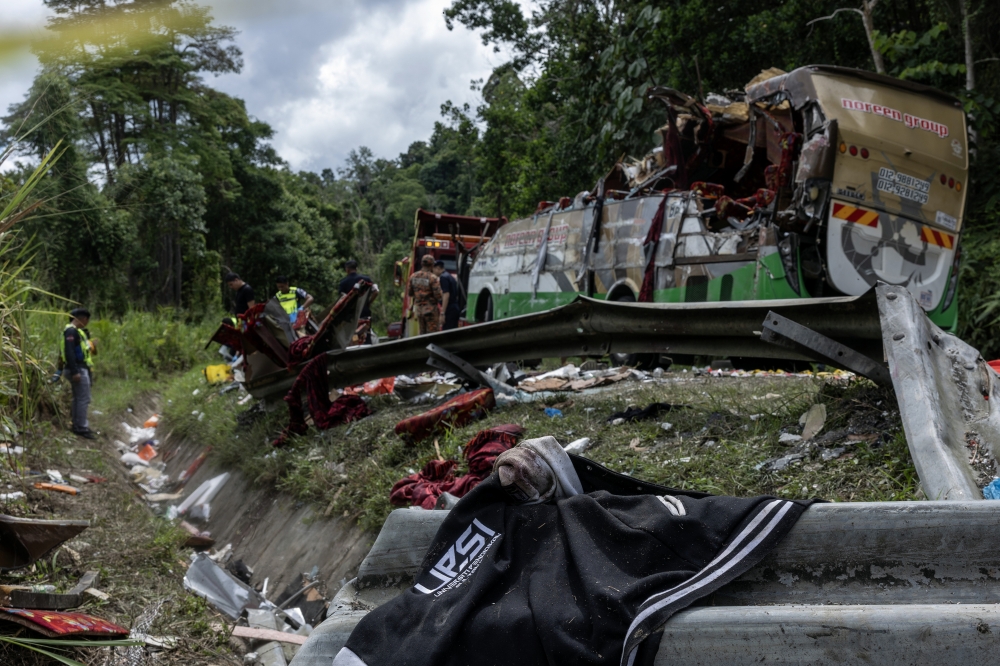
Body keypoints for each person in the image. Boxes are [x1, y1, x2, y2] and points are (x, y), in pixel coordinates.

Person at [63, 308, 96, 439]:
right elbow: (69, 352)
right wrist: (75, 371)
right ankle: (81, 427)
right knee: (83, 398)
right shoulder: (71, 331)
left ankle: (77, 425)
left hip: (77, 368)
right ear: (83, 319)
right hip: (77, 369)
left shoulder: (74, 331)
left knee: (78, 398)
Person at [407, 254, 443, 335]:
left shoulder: (413, 276)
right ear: (432, 265)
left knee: (422, 333)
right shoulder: (433, 278)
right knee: (432, 334)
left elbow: (410, 293)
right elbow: (438, 296)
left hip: (419, 310)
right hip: (431, 311)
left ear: (422, 264)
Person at [433, 260, 461, 330]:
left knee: (447, 332)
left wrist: (443, 313)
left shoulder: (443, 277)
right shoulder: (450, 276)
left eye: (433, 270)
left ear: (438, 268)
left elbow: (446, 294)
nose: (433, 272)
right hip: (455, 307)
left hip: (450, 309)